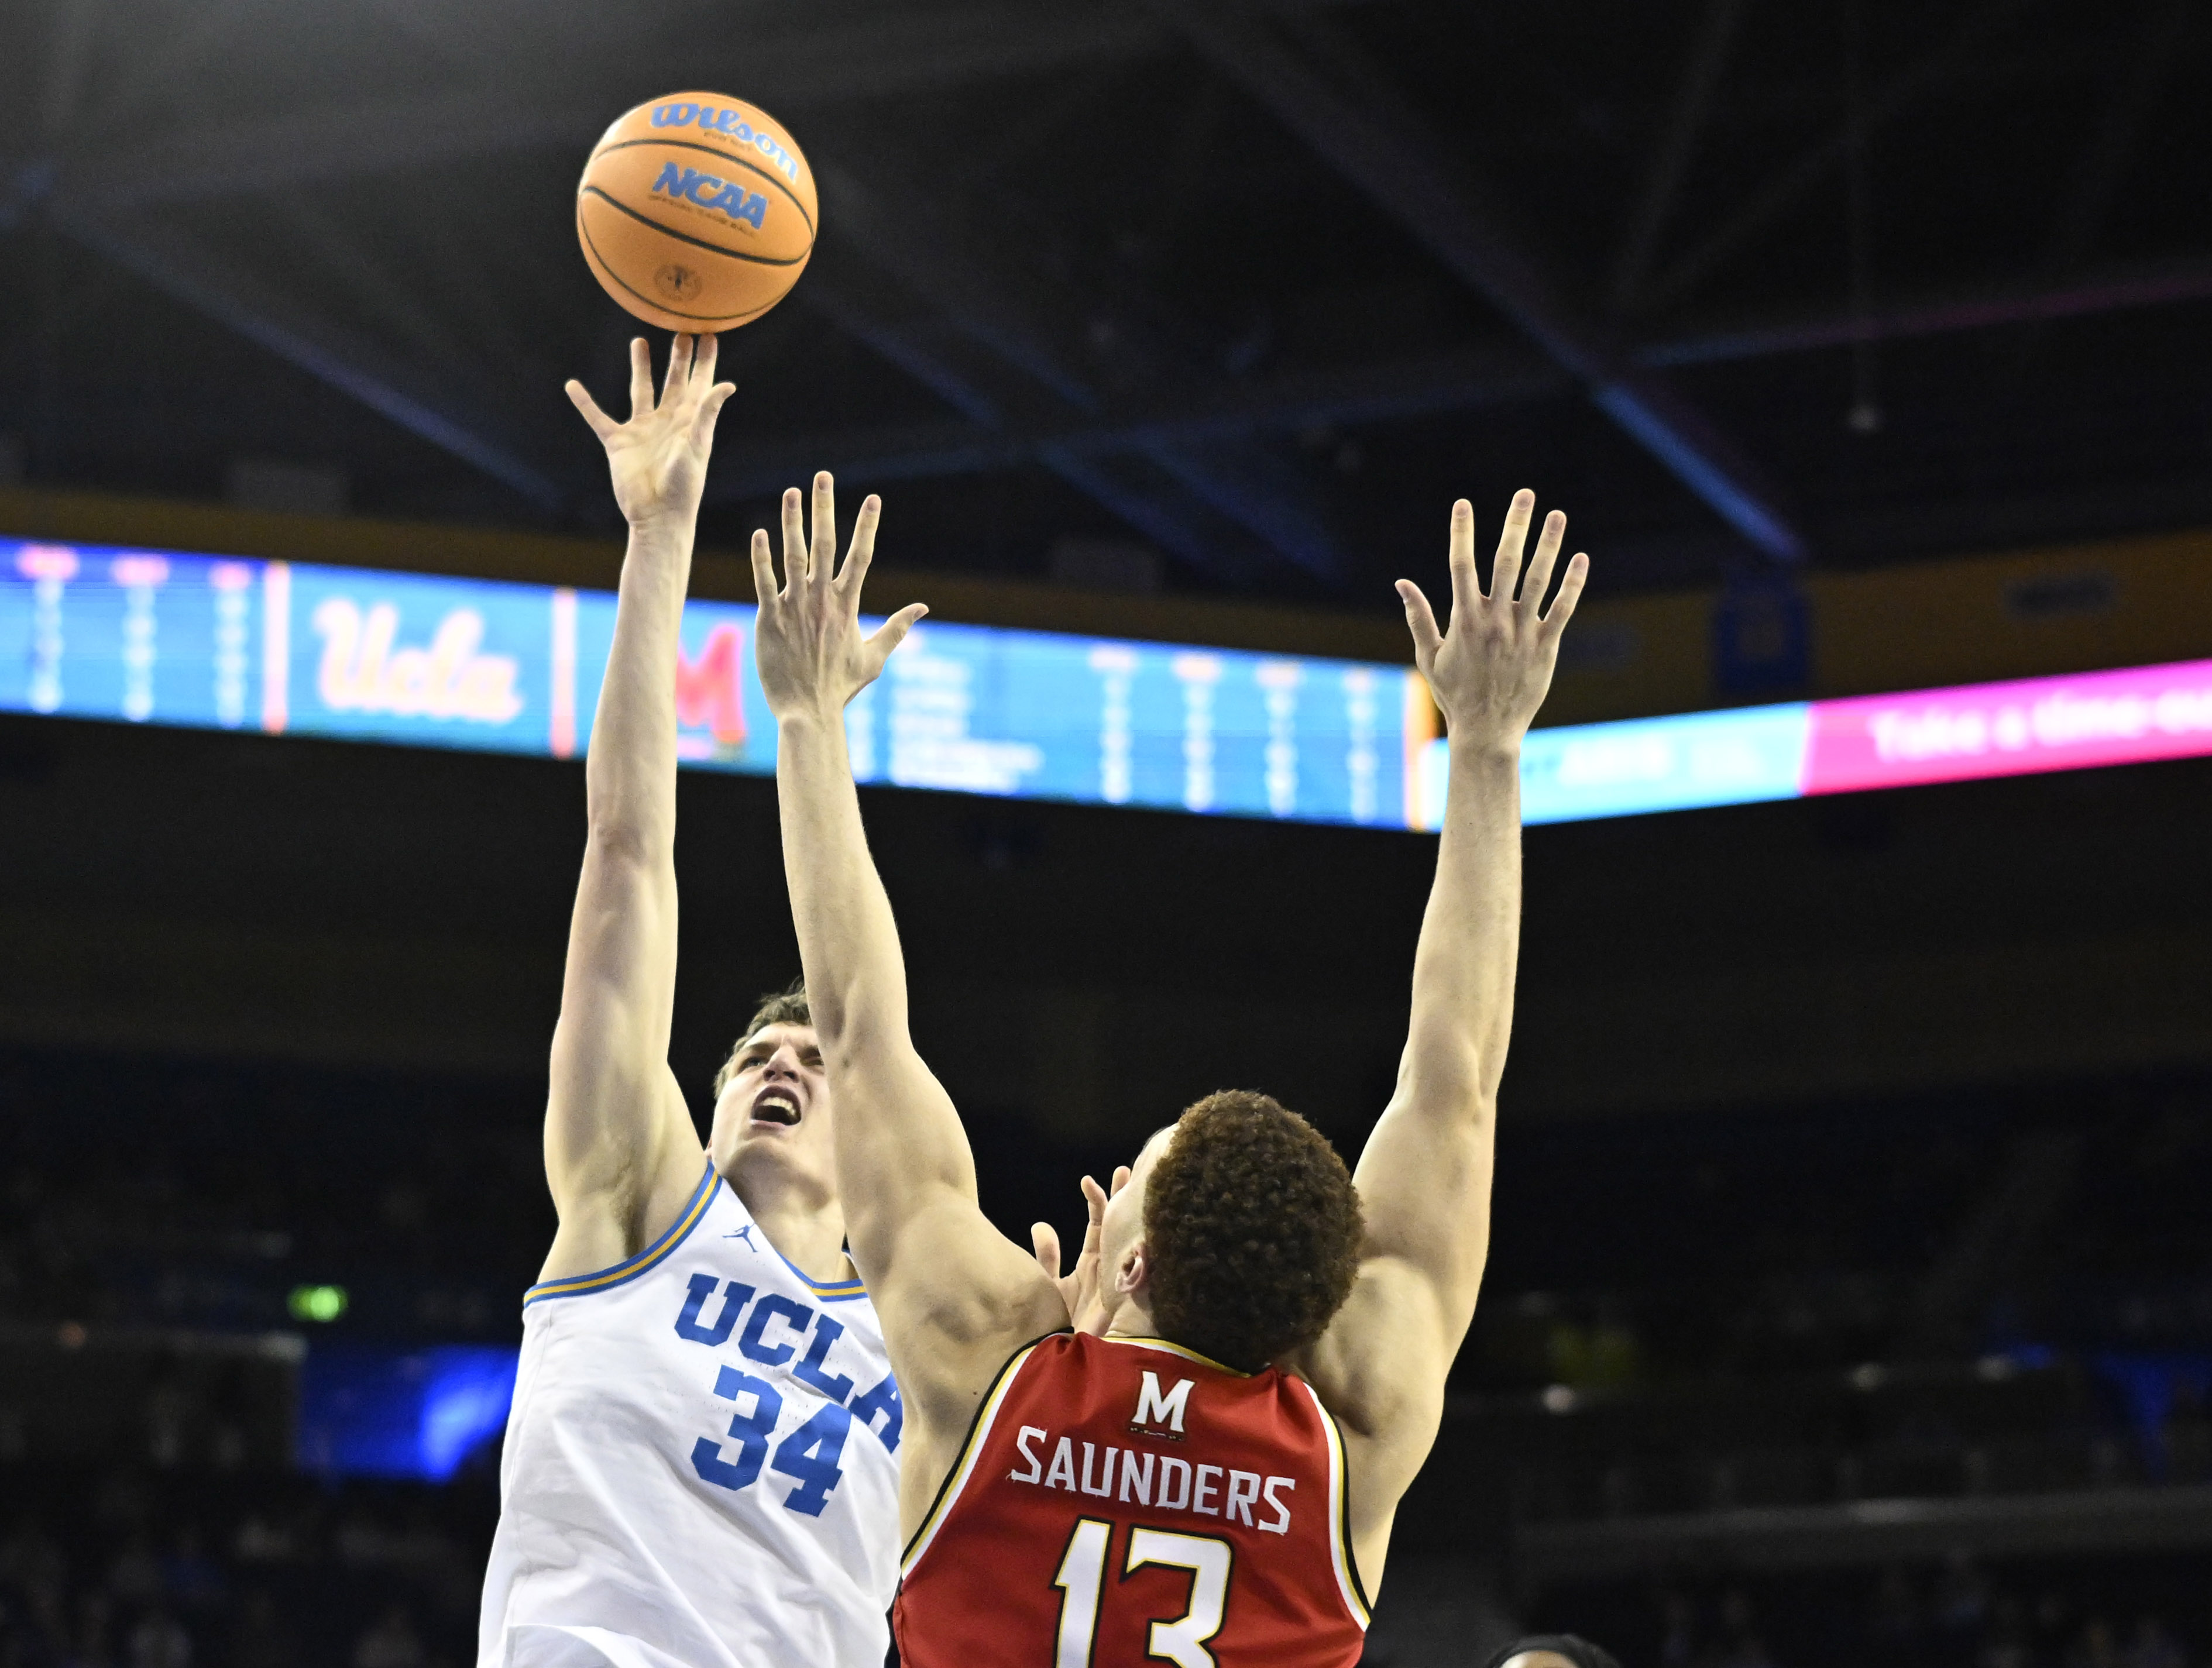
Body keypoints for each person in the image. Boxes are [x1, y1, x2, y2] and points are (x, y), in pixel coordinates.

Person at [754, 476, 1586, 1666]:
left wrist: (806, 718)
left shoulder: (992, 1359)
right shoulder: (1356, 1429)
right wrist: (1493, 751)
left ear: (1132, 1262)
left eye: (1136, 1171)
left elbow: (857, 1026)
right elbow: (1456, 1083)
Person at [475, 338, 903, 1668]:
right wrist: (660, 537)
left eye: (817, 1059)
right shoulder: (635, 1194)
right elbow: (625, 855)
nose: (783, 1063)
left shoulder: (923, 1323)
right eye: (759, 1052)